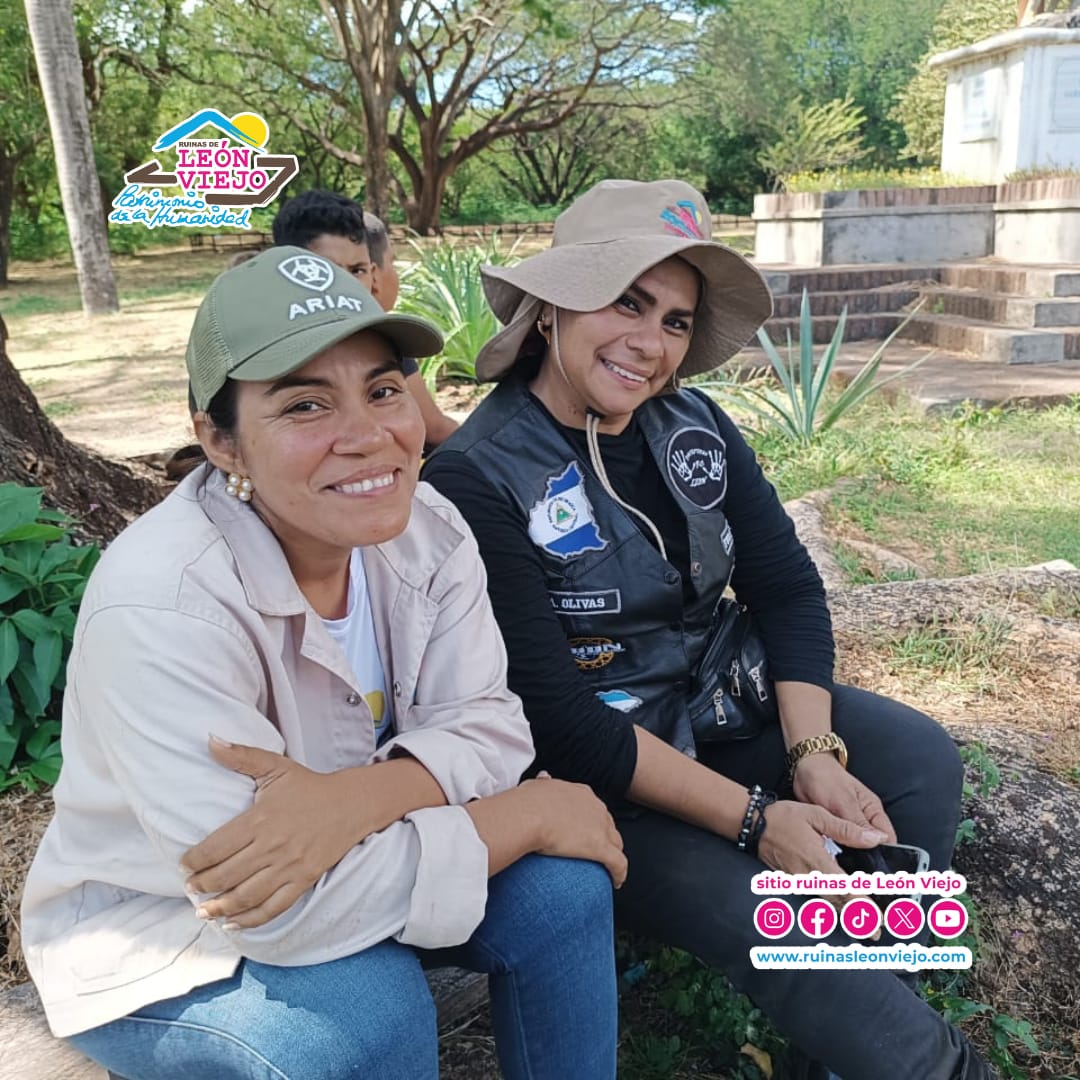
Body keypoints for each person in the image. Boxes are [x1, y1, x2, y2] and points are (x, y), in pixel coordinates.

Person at [421, 179, 996, 1080]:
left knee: (918, 760)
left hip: (729, 714)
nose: (650, 345)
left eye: (677, 322)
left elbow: (790, 591)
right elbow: (559, 718)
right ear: (552, 306)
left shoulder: (694, 423)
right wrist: (760, 821)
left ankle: (838, 1053)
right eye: (627, 302)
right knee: (782, 915)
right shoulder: (476, 478)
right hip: (604, 782)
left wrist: (816, 756)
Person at [20, 246, 624, 1080]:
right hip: (166, 930)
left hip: (380, 847)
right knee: (366, 1011)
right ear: (220, 441)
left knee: (564, 892)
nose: (369, 437)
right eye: (305, 404)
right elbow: (275, 906)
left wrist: (356, 800)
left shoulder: (427, 527)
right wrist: (523, 814)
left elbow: (491, 726)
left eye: (382, 390)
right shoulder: (162, 603)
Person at [272, 189, 460, 446]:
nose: (346, 285)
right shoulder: (266, 350)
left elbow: (432, 428)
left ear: (373, 275)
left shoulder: (382, 341)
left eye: (357, 270)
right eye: (325, 272)